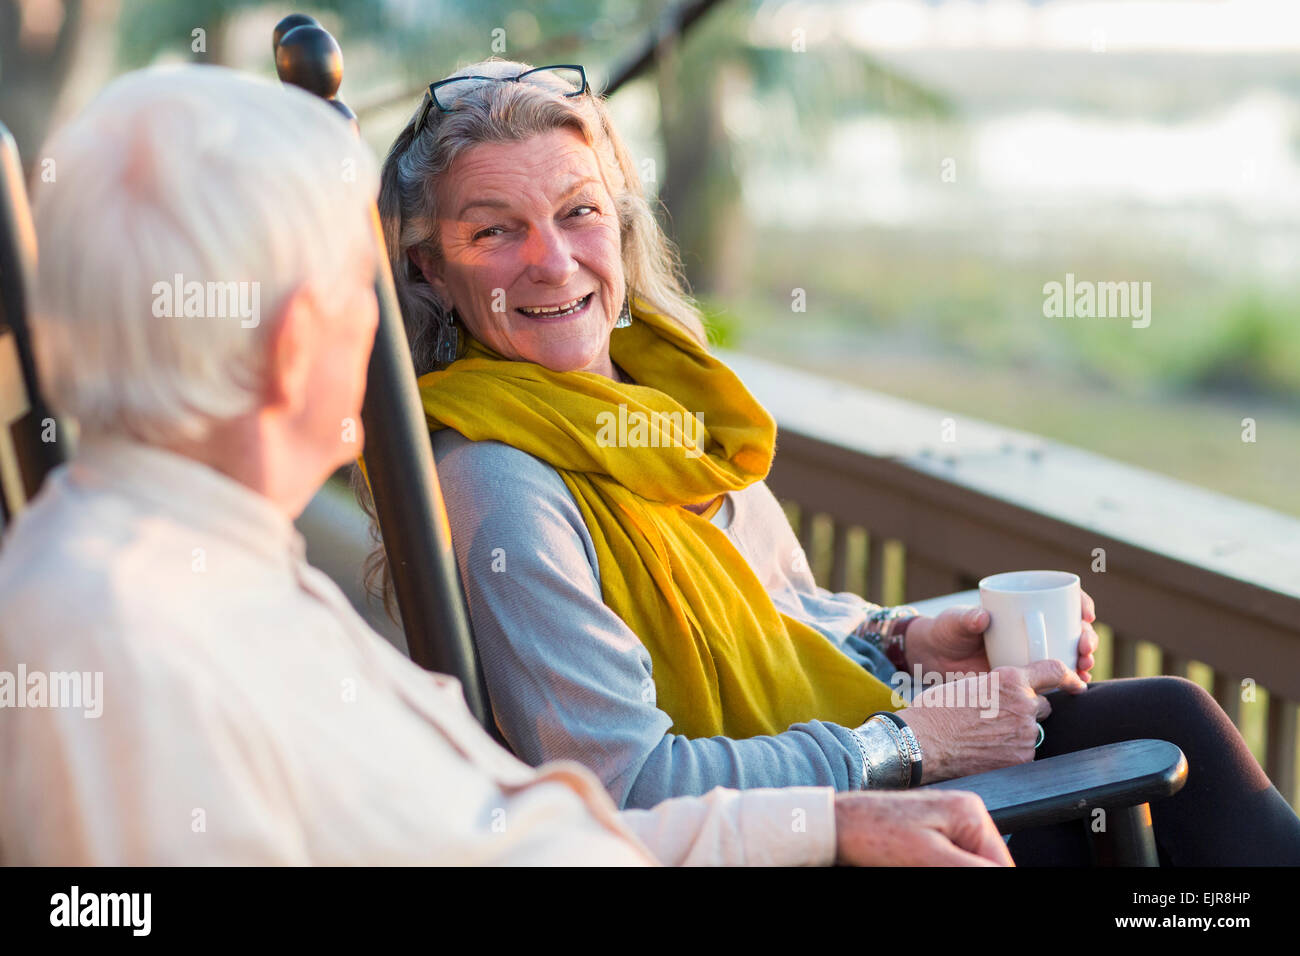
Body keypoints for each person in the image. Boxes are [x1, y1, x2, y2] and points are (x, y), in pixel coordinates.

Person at [0, 63, 1015, 867]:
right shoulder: (125, 633)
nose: (386, 341)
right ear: (300, 339)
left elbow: (510, 835)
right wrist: (892, 754)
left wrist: (829, 818)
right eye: (365, 291)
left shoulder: (201, 578)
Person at [371, 58, 1300, 865]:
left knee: (1168, 730)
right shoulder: (500, 483)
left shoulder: (665, 409)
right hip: (801, 840)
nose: (551, 261)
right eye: (495, 231)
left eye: (577, 213)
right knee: (1169, 748)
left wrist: (900, 639)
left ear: (618, 228)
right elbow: (631, 791)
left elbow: (779, 618)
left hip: (836, 787)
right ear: (428, 271)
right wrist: (909, 743)